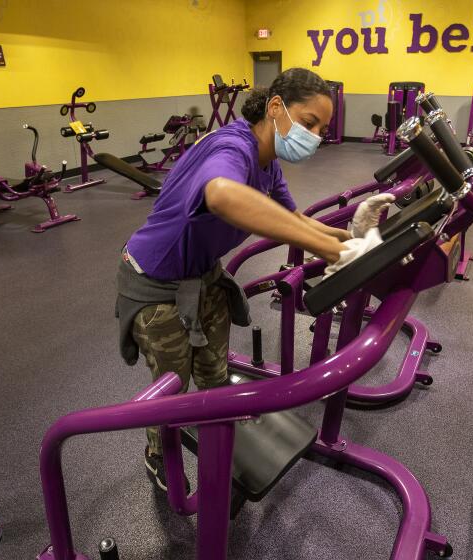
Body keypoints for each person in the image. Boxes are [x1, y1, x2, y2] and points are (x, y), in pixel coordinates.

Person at [115, 67, 392, 491]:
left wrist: (351, 236)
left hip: (203, 276)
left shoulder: (268, 163)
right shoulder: (232, 146)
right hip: (155, 283)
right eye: (309, 123)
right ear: (276, 107)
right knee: (173, 388)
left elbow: (293, 219)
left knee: (214, 373)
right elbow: (222, 194)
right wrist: (335, 253)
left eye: (322, 128)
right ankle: (158, 455)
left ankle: (217, 444)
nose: (315, 136)